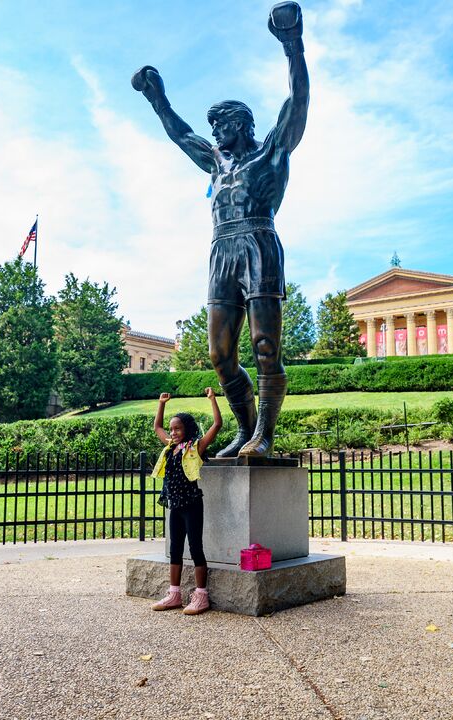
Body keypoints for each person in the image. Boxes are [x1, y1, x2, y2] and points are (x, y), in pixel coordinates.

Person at [132, 1, 308, 458]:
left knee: (266, 346)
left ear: (241, 124)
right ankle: (246, 431)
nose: (214, 130)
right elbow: (179, 133)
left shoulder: (270, 152)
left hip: (258, 243)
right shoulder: (215, 162)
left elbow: (298, 102)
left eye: (221, 124)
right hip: (221, 251)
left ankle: (264, 436)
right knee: (219, 355)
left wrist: (293, 45)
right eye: (212, 125)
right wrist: (158, 99)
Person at [149, 388, 222, 615]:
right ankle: (174, 594)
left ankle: (201, 595)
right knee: (175, 549)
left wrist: (212, 399)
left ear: (187, 429)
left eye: (177, 428)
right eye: (172, 429)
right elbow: (157, 428)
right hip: (175, 505)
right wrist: (161, 404)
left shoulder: (195, 447)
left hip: (191, 504)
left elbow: (217, 425)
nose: (173, 432)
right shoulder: (169, 447)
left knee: (196, 548)